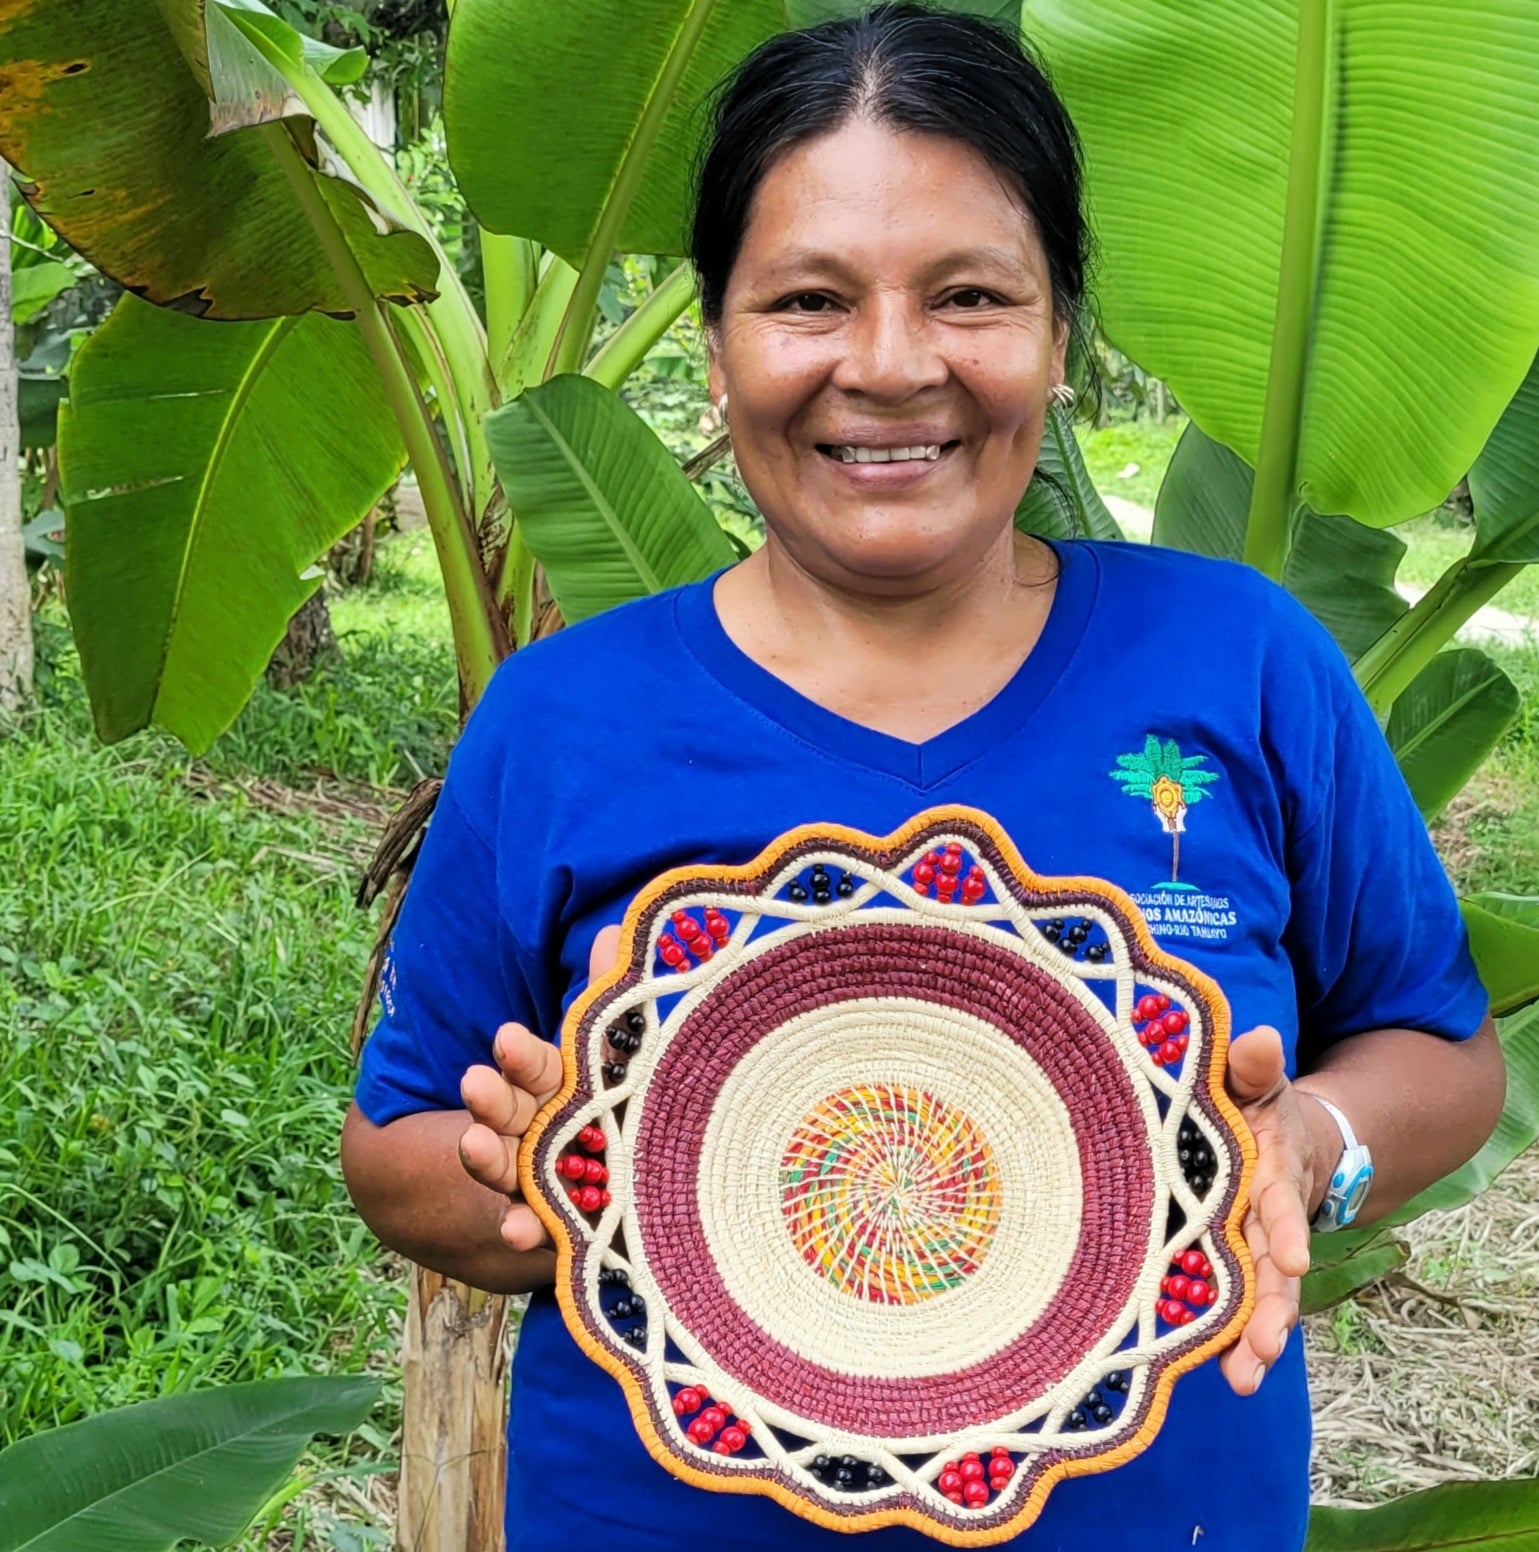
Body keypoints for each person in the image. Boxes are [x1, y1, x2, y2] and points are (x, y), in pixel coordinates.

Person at [339, 6, 1506, 1548]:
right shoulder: (565, 717)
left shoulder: (1241, 664)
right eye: (809, 299)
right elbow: (399, 1145)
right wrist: (555, 1177)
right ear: (719, 340)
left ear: (1060, 334)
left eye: (969, 296)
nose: (889, 370)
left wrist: (1304, 1144)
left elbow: (1441, 1050)